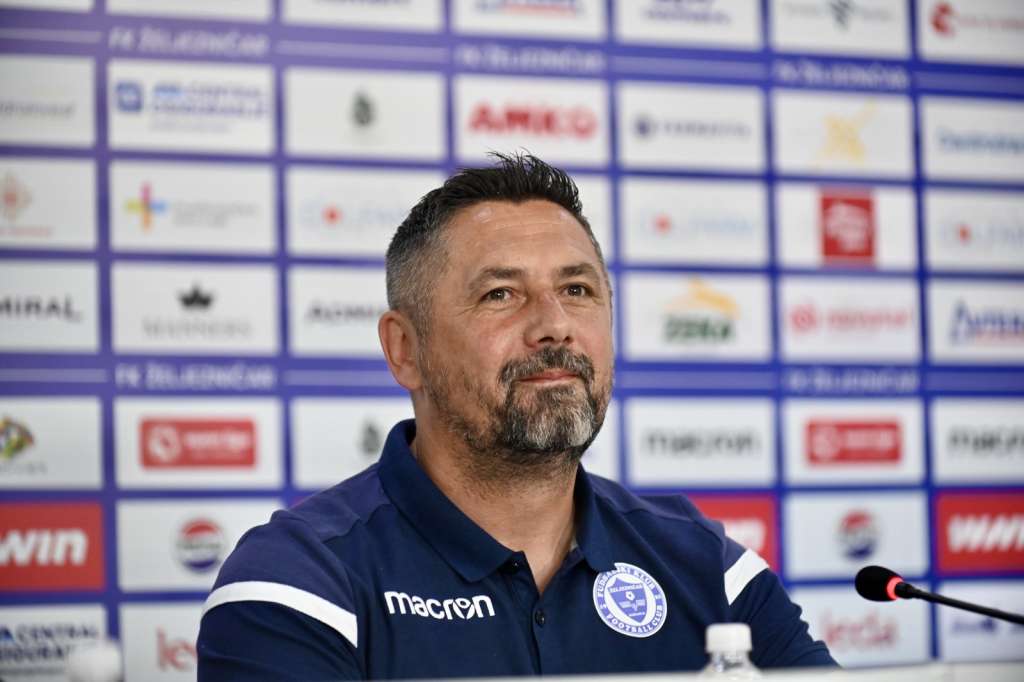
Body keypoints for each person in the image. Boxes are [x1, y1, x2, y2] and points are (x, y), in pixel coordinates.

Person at [197, 153, 836, 679]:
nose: (554, 325)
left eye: (577, 290)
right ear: (405, 350)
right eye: (500, 294)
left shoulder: (706, 565)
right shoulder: (298, 582)